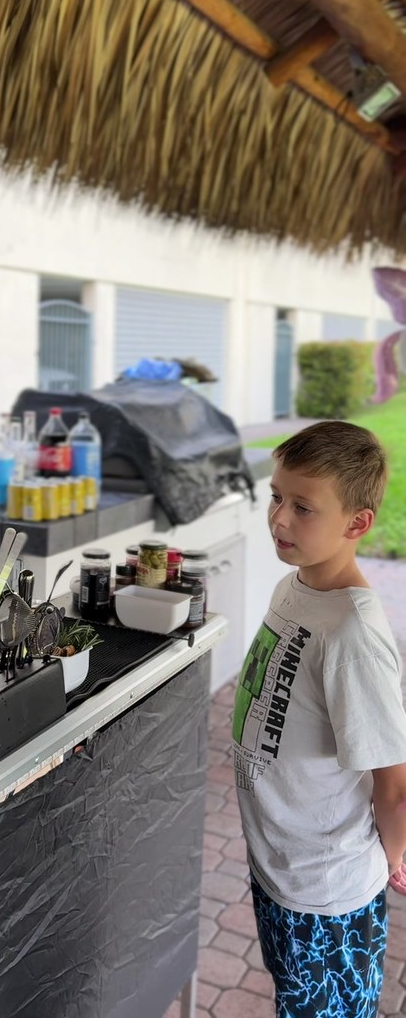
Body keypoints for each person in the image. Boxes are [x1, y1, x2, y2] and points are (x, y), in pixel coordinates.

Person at [232, 420, 406, 1018]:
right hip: (281, 869)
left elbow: (395, 785)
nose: (279, 519)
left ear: (356, 524)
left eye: (303, 507)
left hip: (329, 898)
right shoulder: (294, 586)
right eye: (276, 497)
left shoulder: (353, 634)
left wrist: (390, 860)